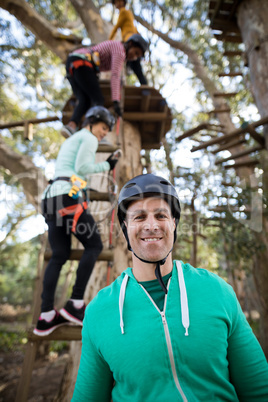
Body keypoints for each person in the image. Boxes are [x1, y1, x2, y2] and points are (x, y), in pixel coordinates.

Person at [71, 173, 268, 401]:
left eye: (161, 215)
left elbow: (259, 390)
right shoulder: (100, 311)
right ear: (125, 227)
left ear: (174, 223)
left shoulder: (217, 291)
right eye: (140, 217)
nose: (151, 225)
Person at [34, 106, 119, 336]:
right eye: (103, 128)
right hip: (68, 197)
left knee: (59, 255)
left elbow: (73, 169)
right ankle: (75, 303)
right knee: (94, 245)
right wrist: (107, 165)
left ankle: (46, 315)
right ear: (92, 122)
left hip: (51, 199)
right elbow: (82, 168)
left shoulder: (73, 140)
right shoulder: (88, 137)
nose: (104, 133)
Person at [62, 34, 148, 137]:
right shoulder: (120, 50)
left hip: (73, 64)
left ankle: (71, 126)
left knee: (84, 100)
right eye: (135, 53)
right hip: (82, 62)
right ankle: (92, 132)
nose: (134, 57)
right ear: (130, 44)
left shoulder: (118, 49)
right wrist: (116, 101)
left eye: (137, 57)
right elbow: (115, 75)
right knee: (98, 100)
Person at [109, 0, 148, 85]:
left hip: (129, 39)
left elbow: (117, 27)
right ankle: (144, 84)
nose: (118, 4)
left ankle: (142, 84)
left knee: (130, 61)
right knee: (135, 66)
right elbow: (134, 29)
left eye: (119, 1)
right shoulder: (129, 12)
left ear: (123, 2)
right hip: (133, 38)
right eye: (116, 2)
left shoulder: (123, 12)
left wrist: (109, 41)